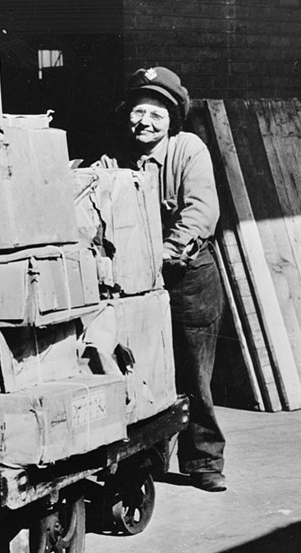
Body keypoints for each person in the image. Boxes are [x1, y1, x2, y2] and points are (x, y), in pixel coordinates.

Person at [93, 66, 227, 492]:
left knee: (192, 375)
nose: (144, 122)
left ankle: (204, 462)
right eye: (138, 112)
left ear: (172, 119)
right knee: (142, 370)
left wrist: (164, 254)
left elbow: (201, 212)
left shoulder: (188, 150)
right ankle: (145, 462)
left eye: (156, 114)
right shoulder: (117, 157)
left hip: (187, 279)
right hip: (136, 284)